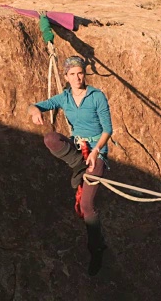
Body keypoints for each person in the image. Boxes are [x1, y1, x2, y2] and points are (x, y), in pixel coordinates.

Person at [28, 55, 112, 276]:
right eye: (72, 74)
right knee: (51, 139)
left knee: (86, 206)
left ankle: (97, 249)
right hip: (78, 151)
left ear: (85, 74)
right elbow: (35, 105)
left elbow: (107, 130)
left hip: (96, 152)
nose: (77, 77)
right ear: (66, 76)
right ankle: (79, 166)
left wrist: (95, 152)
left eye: (80, 73)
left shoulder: (97, 96)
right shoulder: (64, 97)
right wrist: (35, 110)